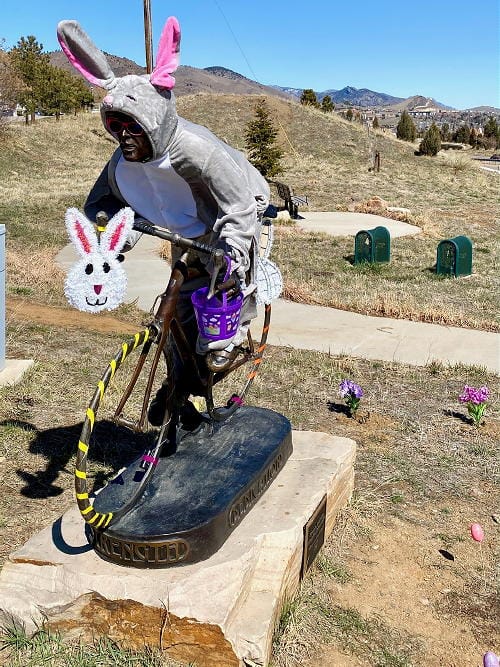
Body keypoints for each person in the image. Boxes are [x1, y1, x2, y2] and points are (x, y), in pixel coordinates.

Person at [57, 17, 270, 428]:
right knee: (179, 312)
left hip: (221, 229)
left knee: (217, 309)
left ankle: (216, 356)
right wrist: (107, 240)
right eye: (116, 126)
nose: (125, 136)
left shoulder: (196, 151)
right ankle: (179, 382)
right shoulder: (123, 162)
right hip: (183, 234)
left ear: (155, 119)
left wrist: (233, 251)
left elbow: (238, 206)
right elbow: (103, 204)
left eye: (134, 125)